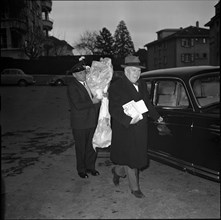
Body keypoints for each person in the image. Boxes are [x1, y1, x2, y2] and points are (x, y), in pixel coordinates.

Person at [108, 55, 170, 198]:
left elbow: (147, 104)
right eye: (134, 71)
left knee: (132, 158)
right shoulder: (116, 87)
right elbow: (114, 109)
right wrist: (128, 120)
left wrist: (158, 117)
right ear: (126, 71)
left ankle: (117, 171)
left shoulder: (141, 84)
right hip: (126, 128)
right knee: (131, 159)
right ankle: (135, 188)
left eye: (138, 71)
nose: (137, 74)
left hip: (141, 127)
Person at [66, 57, 101, 178]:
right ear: (74, 75)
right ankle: (81, 169)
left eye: (84, 72)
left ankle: (90, 167)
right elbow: (78, 105)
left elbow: (98, 99)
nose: (83, 75)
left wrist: (103, 96)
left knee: (92, 146)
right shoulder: (72, 86)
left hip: (92, 120)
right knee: (81, 147)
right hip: (80, 123)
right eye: (80, 73)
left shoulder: (90, 84)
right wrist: (93, 101)